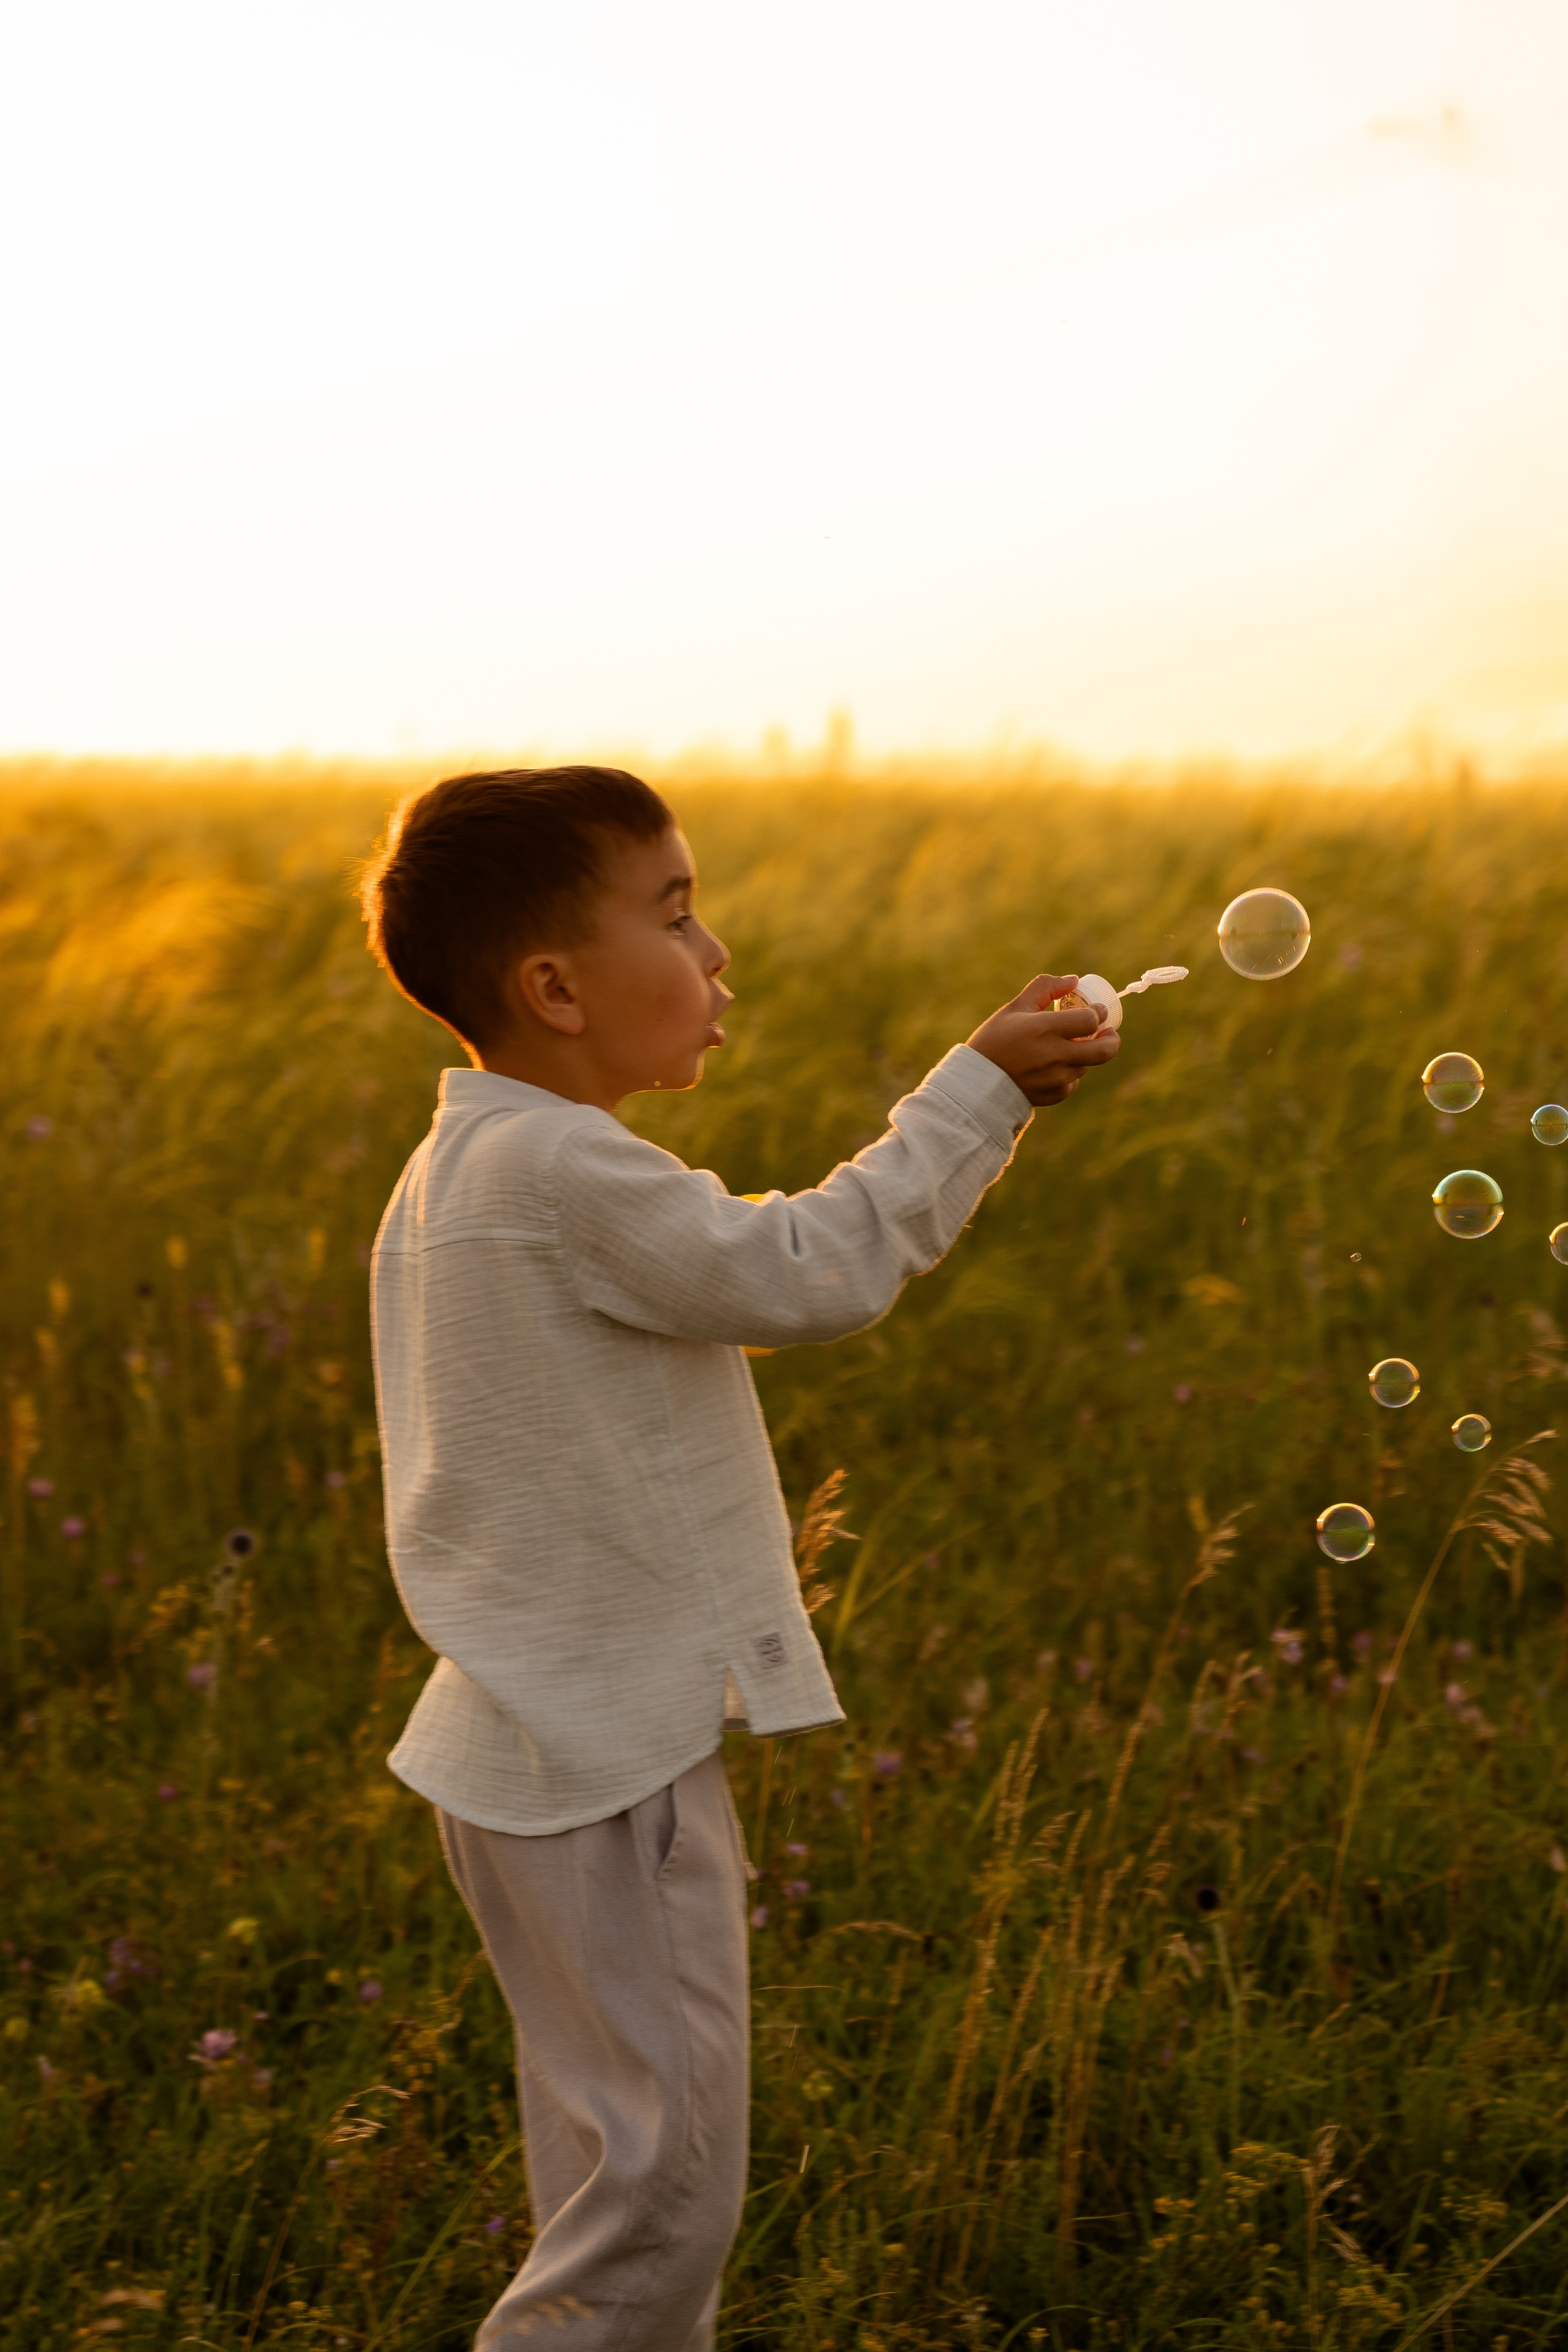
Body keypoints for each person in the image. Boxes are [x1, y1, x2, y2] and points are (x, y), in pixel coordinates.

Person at [360, 764, 1120, 2351]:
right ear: (553, 986)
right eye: (680, 914)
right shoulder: (560, 1173)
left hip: (522, 1747)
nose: (718, 960)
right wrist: (975, 1091)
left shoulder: (457, 1169)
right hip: (607, 1765)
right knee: (666, 2198)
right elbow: (812, 1268)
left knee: (608, 2170)